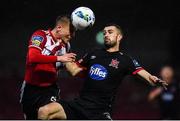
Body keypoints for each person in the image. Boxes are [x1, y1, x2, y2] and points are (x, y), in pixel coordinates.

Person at [37, 23, 168, 120]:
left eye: (110, 32)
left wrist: (154, 79)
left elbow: (146, 75)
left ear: (119, 36)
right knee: (44, 111)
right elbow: (74, 71)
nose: (106, 34)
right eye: (104, 32)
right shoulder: (94, 53)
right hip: (80, 104)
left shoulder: (125, 59)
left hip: (100, 112)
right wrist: (63, 54)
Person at [20, 15, 77, 119]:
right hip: (31, 89)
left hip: (50, 90)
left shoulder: (66, 46)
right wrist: (59, 58)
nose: (72, 35)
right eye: (70, 31)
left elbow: (68, 66)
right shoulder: (40, 35)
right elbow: (32, 57)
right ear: (59, 28)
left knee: (50, 114)